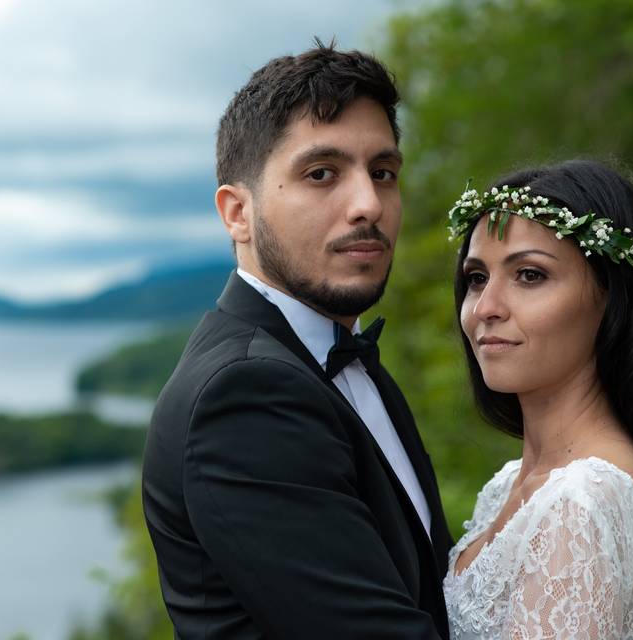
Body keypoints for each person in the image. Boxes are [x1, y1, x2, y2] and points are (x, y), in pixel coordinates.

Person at [142, 42, 452, 639]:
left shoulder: (341, 360)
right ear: (237, 213)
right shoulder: (245, 394)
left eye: (383, 173)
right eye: (321, 174)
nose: (369, 205)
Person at [443, 159, 633, 639]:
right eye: (477, 278)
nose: (485, 308)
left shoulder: (580, 501)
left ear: (611, 297)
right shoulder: (508, 488)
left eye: (529, 275)